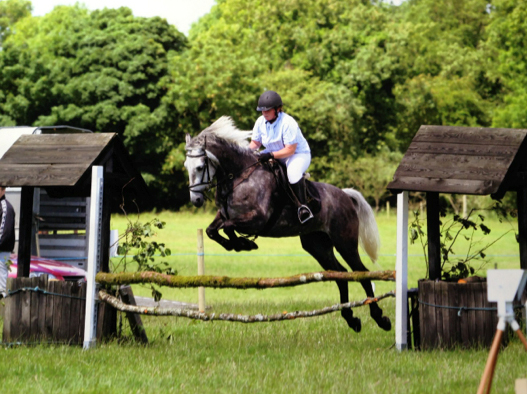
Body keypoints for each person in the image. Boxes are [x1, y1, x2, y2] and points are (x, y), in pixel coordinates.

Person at [249, 90, 313, 223]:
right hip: (274, 153)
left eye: (268, 110)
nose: (264, 113)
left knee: (293, 172)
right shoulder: (260, 122)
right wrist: (244, 152)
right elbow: (255, 142)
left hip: (297, 155)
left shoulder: (288, 122)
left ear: (278, 109)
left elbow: (290, 149)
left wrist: (271, 155)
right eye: (262, 110)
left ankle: (303, 208)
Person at [0, 186, 15, 298]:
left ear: (3, 190)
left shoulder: (5, 207)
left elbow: (4, 232)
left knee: (1, 287)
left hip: (2, 252)